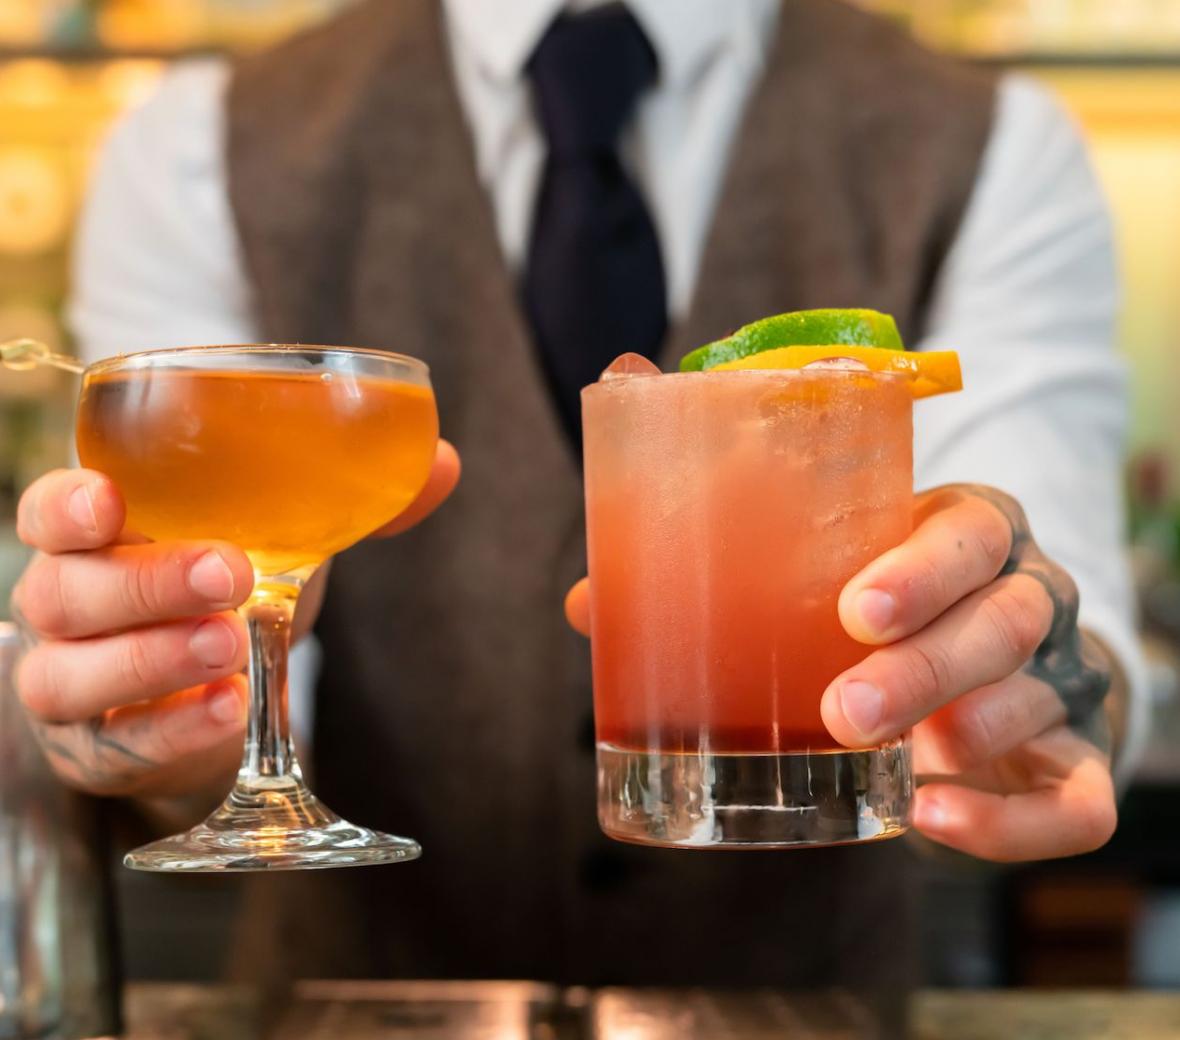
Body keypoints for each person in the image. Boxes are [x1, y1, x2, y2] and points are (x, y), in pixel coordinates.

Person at [11, 0, 1146, 990]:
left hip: (812, 1011)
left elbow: (1061, 598)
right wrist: (166, 705)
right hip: (349, 1008)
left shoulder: (994, 142)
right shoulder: (190, 145)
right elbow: (185, 638)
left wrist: (1023, 671)